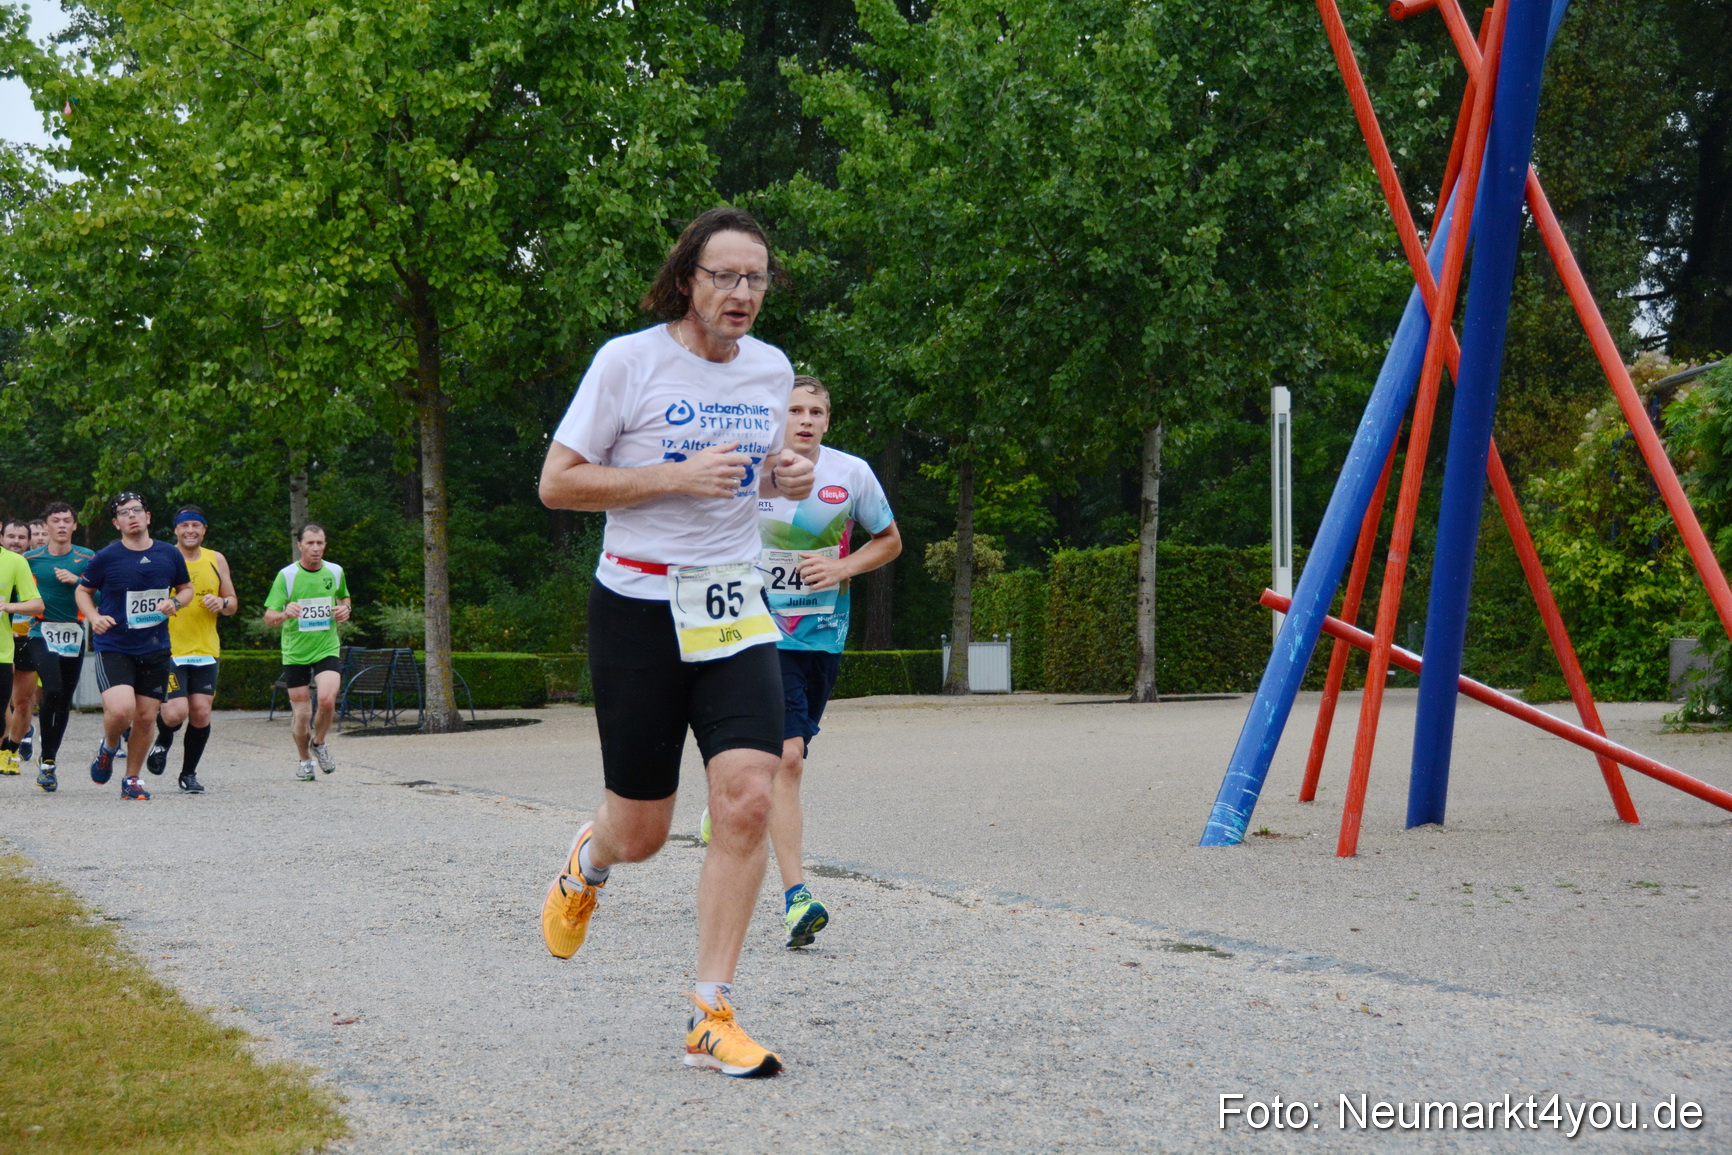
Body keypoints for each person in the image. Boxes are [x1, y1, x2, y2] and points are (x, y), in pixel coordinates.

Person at [536, 206, 815, 1078]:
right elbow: (558, 483)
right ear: (686, 279)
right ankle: (593, 856)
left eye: (756, 278)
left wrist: (779, 476)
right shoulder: (629, 361)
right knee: (646, 829)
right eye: (724, 276)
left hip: (731, 604)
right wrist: (674, 477)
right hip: (638, 607)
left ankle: (710, 1010)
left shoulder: (771, 370)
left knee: (746, 798)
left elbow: (748, 479)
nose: (741, 293)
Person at [752, 375, 900, 948]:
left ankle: (735, 791)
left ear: (828, 421)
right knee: (788, 761)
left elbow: (889, 540)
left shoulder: (852, 473)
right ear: (778, 417)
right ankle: (797, 900)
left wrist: (841, 569)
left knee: (783, 759)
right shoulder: (755, 471)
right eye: (794, 409)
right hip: (760, 634)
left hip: (822, 639)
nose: (806, 419)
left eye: (816, 411)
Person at [74, 492, 193, 801]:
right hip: (115, 644)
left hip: (154, 647)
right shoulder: (106, 557)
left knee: (143, 717)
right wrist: (93, 616)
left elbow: (187, 589)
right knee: (121, 709)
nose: (132, 516)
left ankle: (132, 779)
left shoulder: (169, 554)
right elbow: (83, 591)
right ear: (117, 523)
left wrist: (175, 602)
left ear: (148, 517)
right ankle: (110, 746)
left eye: (137, 510)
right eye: (124, 513)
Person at [146, 506, 237, 793]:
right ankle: (163, 740)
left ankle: (188, 774)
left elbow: (232, 602)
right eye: (184, 526)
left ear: (204, 530)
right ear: (175, 530)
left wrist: (221, 604)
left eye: (196, 525)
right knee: (175, 713)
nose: (190, 531)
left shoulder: (216, 559)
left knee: (200, 713)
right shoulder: (162, 557)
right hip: (169, 649)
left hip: (205, 649)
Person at [263, 523, 350, 781]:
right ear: (299, 545)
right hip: (295, 653)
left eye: (320, 543)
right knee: (302, 715)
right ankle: (304, 760)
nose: (315, 548)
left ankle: (320, 743)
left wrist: (346, 609)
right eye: (310, 543)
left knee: (326, 699)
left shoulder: (335, 571)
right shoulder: (287, 576)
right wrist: (284, 613)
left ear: (325, 544)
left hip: (326, 647)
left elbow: (344, 598)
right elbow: (268, 617)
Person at [22, 502, 96, 792]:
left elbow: (103, 595)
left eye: (67, 520)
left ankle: (48, 762)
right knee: (51, 689)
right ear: (46, 526)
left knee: (62, 699)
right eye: (56, 520)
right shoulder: (31, 559)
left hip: (73, 633)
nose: (62, 525)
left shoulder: (87, 557)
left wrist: (78, 581)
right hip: (41, 630)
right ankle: (45, 758)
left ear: (74, 526)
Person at [0, 526, 44, 776]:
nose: (16, 541)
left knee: (23, 702)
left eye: (21, 538)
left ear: (29, 541)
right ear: (2, 538)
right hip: (6, 638)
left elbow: (39, 603)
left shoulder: (33, 563)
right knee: (4, 700)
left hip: (26, 637)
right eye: (11, 537)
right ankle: (3, 748)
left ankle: (12, 749)